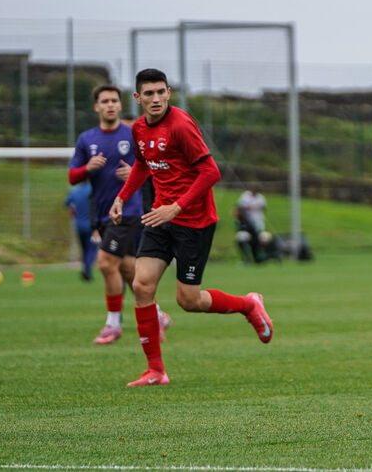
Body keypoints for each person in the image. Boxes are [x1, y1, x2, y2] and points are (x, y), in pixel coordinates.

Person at [110, 68, 273, 387]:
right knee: (142, 285)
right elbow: (143, 164)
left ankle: (248, 304)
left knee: (189, 300)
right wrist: (122, 197)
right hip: (160, 219)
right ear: (137, 97)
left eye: (161, 92)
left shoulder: (181, 125)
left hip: (193, 223)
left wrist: (177, 206)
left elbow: (211, 172)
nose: (155, 99)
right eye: (149, 93)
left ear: (169, 93)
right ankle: (155, 370)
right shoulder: (139, 129)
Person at [70, 86, 171, 345]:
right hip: (104, 214)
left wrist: (137, 174)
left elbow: (157, 167)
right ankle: (158, 315)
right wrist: (87, 168)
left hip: (129, 211)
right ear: (97, 107)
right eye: (105, 101)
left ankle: (113, 324)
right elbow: (72, 177)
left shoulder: (133, 134)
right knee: (127, 268)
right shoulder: (87, 139)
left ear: (120, 105)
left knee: (105, 263)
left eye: (114, 100)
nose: (110, 105)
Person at [64, 182, 98, 282]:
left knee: (84, 249)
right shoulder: (93, 190)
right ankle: (87, 269)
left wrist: (74, 214)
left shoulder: (74, 191)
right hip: (92, 226)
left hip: (79, 225)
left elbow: (68, 205)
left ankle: (85, 267)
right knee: (92, 248)